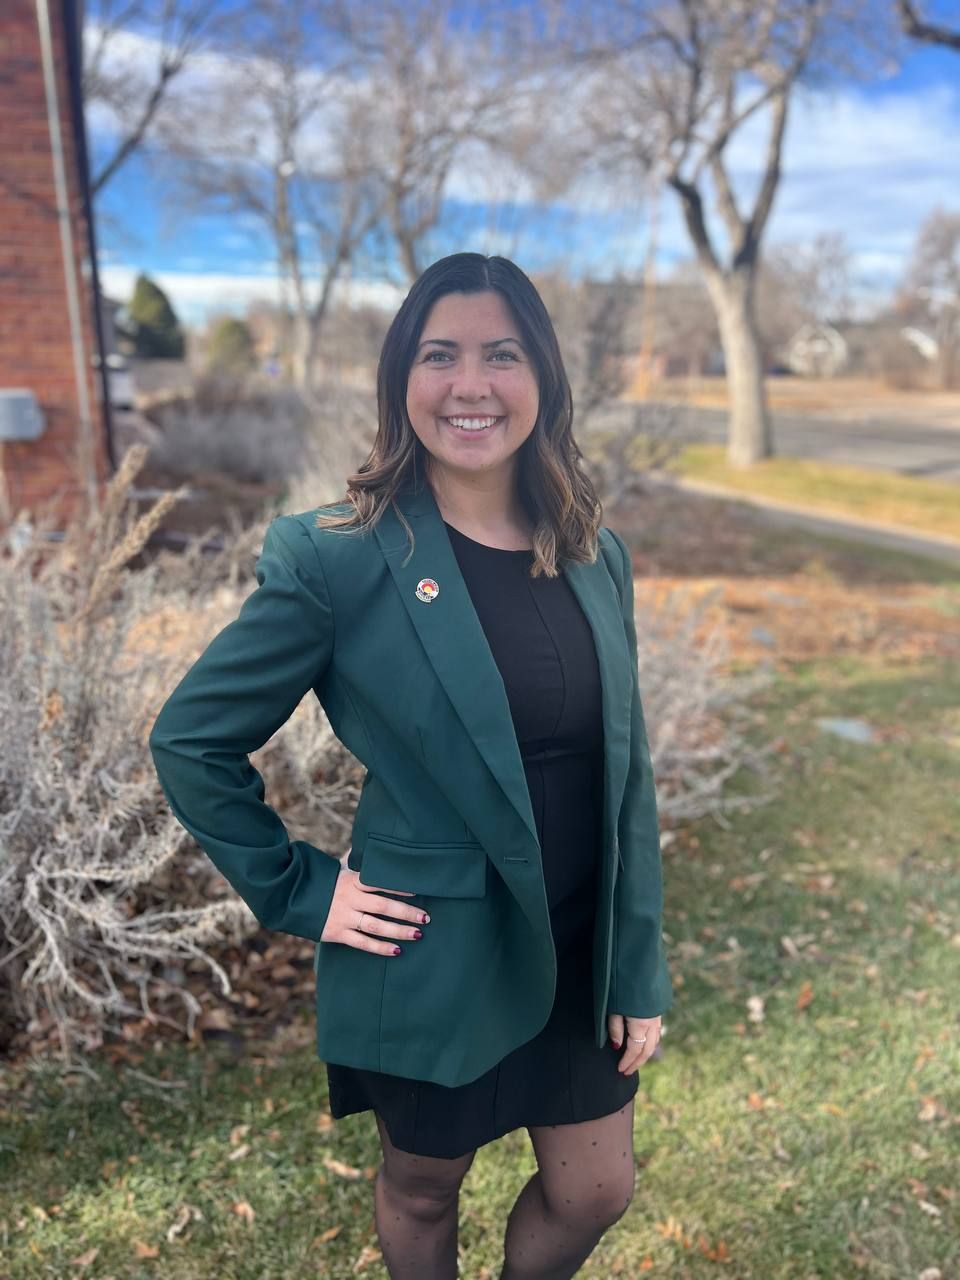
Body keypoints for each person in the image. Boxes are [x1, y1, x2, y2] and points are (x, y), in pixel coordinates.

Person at [149, 252, 673, 1279]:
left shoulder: (591, 551)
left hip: (581, 942)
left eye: (502, 354)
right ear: (402, 379)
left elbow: (629, 774)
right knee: (426, 1186)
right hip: (432, 945)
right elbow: (192, 739)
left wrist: (638, 964)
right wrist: (302, 890)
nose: (471, 383)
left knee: (595, 1187)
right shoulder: (337, 555)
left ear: (544, 377)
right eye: (440, 355)